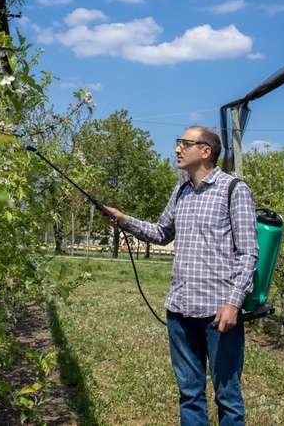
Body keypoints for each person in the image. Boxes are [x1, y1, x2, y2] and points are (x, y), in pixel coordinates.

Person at [101, 126, 258, 426]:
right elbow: (161, 233)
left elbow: (248, 253)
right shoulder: (181, 190)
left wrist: (233, 303)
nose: (177, 149)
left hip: (218, 313)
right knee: (189, 394)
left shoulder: (234, 190)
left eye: (184, 143)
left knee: (227, 395)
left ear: (205, 151)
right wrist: (123, 219)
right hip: (180, 310)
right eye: (178, 143)